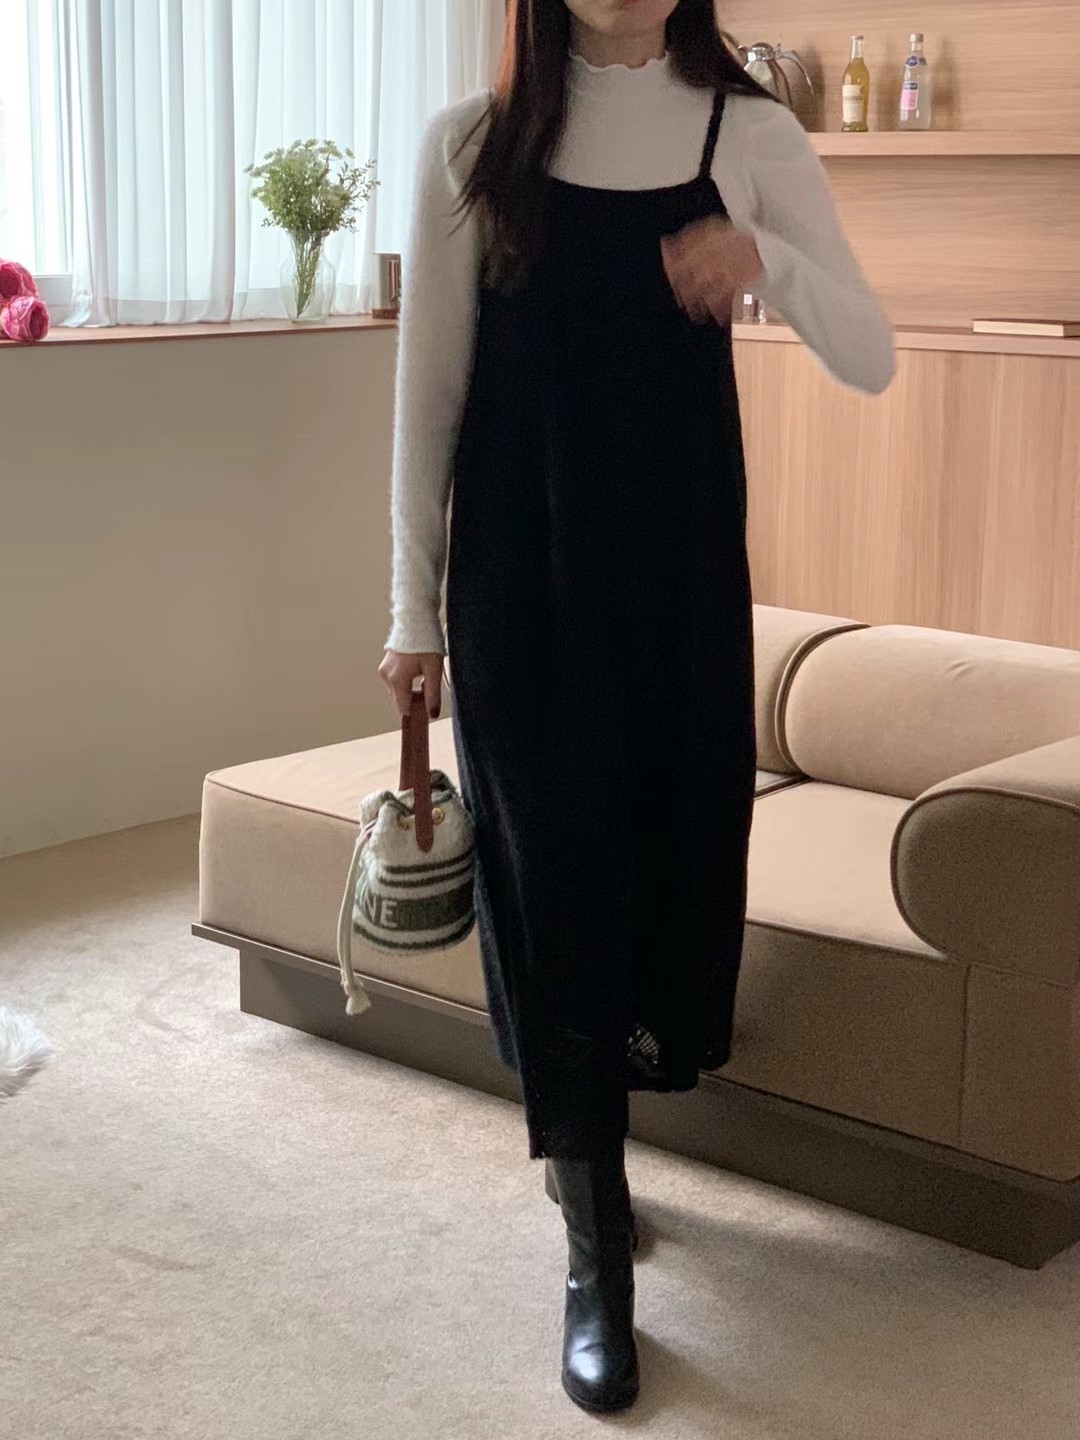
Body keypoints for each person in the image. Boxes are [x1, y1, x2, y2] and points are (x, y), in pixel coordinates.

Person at [378, 0, 894, 1414]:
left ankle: (591, 1162)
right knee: (554, 887)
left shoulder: (751, 132)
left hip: (677, 589)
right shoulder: (473, 147)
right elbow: (428, 400)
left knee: (666, 870)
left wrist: (765, 258)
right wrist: (410, 614)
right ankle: (595, 1242)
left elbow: (870, 352)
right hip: (518, 587)